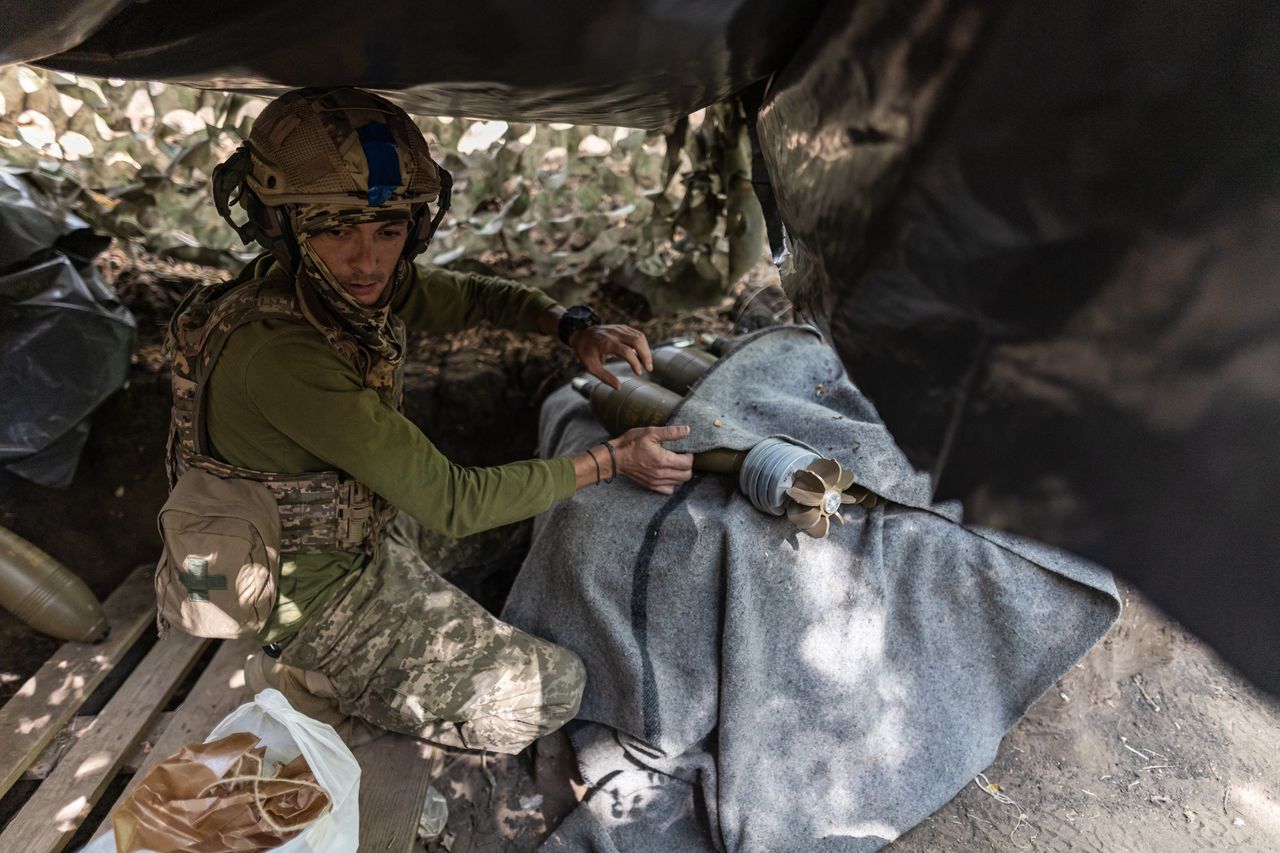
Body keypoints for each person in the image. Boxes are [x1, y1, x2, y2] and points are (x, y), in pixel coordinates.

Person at [165, 86, 692, 753]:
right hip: (315, 600)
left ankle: (407, 643)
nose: (368, 259)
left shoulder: (330, 286)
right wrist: (613, 459)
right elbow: (452, 501)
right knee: (556, 687)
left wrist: (570, 325)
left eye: (389, 231)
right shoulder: (281, 353)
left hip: (363, 530)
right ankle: (313, 679)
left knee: (528, 526)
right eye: (336, 230)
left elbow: (472, 294)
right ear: (285, 227)